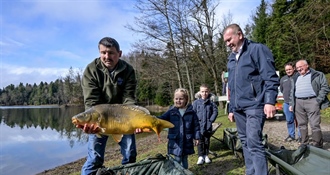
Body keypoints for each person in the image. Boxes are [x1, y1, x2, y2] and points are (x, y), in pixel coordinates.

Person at [77, 37, 141, 175]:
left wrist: (135, 119)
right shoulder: (91, 70)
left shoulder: (128, 70)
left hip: (122, 117)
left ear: (119, 53)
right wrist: (91, 123)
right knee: (94, 159)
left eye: (111, 53)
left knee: (130, 155)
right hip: (100, 119)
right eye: (103, 52)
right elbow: (91, 103)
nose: (107, 56)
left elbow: (128, 98)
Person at [223, 24, 279, 175]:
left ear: (239, 35)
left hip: (255, 104)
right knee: (245, 143)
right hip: (239, 108)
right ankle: (251, 172)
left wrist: (269, 101)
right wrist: (232, 108)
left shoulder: (257, 49)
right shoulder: (231, 58)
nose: (228, 44)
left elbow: (270, 77)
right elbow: (232, 86)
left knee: (254, 143)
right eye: (226, 42)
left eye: (229, 39)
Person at [289, 60, 330, 148]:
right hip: (298, 102)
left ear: (307, 65)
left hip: (312, 101)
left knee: (314, 124)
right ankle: (304, 144)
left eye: (301, 66)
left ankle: (317, 145)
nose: (299, 69)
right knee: (301, 124)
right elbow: (292, 91)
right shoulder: (295, 77)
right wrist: (291, 104)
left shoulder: (318, 74)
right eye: (297, 68)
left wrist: (318, 100)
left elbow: (325, 87)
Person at [158, 88, 200, 169]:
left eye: (181, 99)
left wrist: (197, 137)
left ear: (186, 99)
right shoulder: (171, 112)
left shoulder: (191, 112)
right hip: (175, 141)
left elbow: (196, 126)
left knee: (184, 158)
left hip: (186, 141)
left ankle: (185, 171)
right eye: (176, 99)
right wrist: (152, 119)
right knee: (176, 159)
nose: (178, 101)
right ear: (173, 99)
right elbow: (161, 119)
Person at [192, 84, 218, 165]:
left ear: (209, 92)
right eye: (202, 91)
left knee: (207, 140)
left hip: (208, 125)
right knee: (199, 141)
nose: (204, 93)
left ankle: (206, 155)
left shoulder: (211, 102)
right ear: (200, 92)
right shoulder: (196, 102)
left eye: (206, 91)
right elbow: (193, 113)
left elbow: (215, 112)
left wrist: (210, 120)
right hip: (198, 126)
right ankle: (200, 156)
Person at [280, 62, 301, 143]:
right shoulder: (283, 79)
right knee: (289, 120)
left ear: (294, 69)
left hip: (297, 102)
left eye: (289, 69)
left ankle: (301, 136)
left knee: (299, 120)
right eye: (286, 70)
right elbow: (282, 90)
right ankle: (291, 135)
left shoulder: (298, 77)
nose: (288, 71)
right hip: (286, 103)